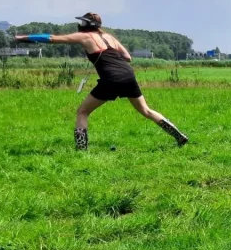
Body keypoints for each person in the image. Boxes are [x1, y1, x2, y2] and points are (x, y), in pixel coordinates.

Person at [15, 13, 188, 150]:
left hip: (111, 78)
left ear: (87, 25)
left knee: (82, 112)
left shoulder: (85, 37)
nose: (80, 26)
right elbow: (127, 57)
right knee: (146, 110)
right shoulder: (110, 37)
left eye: (83, 23)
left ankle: (81, 150)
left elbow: (52, 38)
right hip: (128, 75)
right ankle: (179, 136)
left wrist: (24, 38)